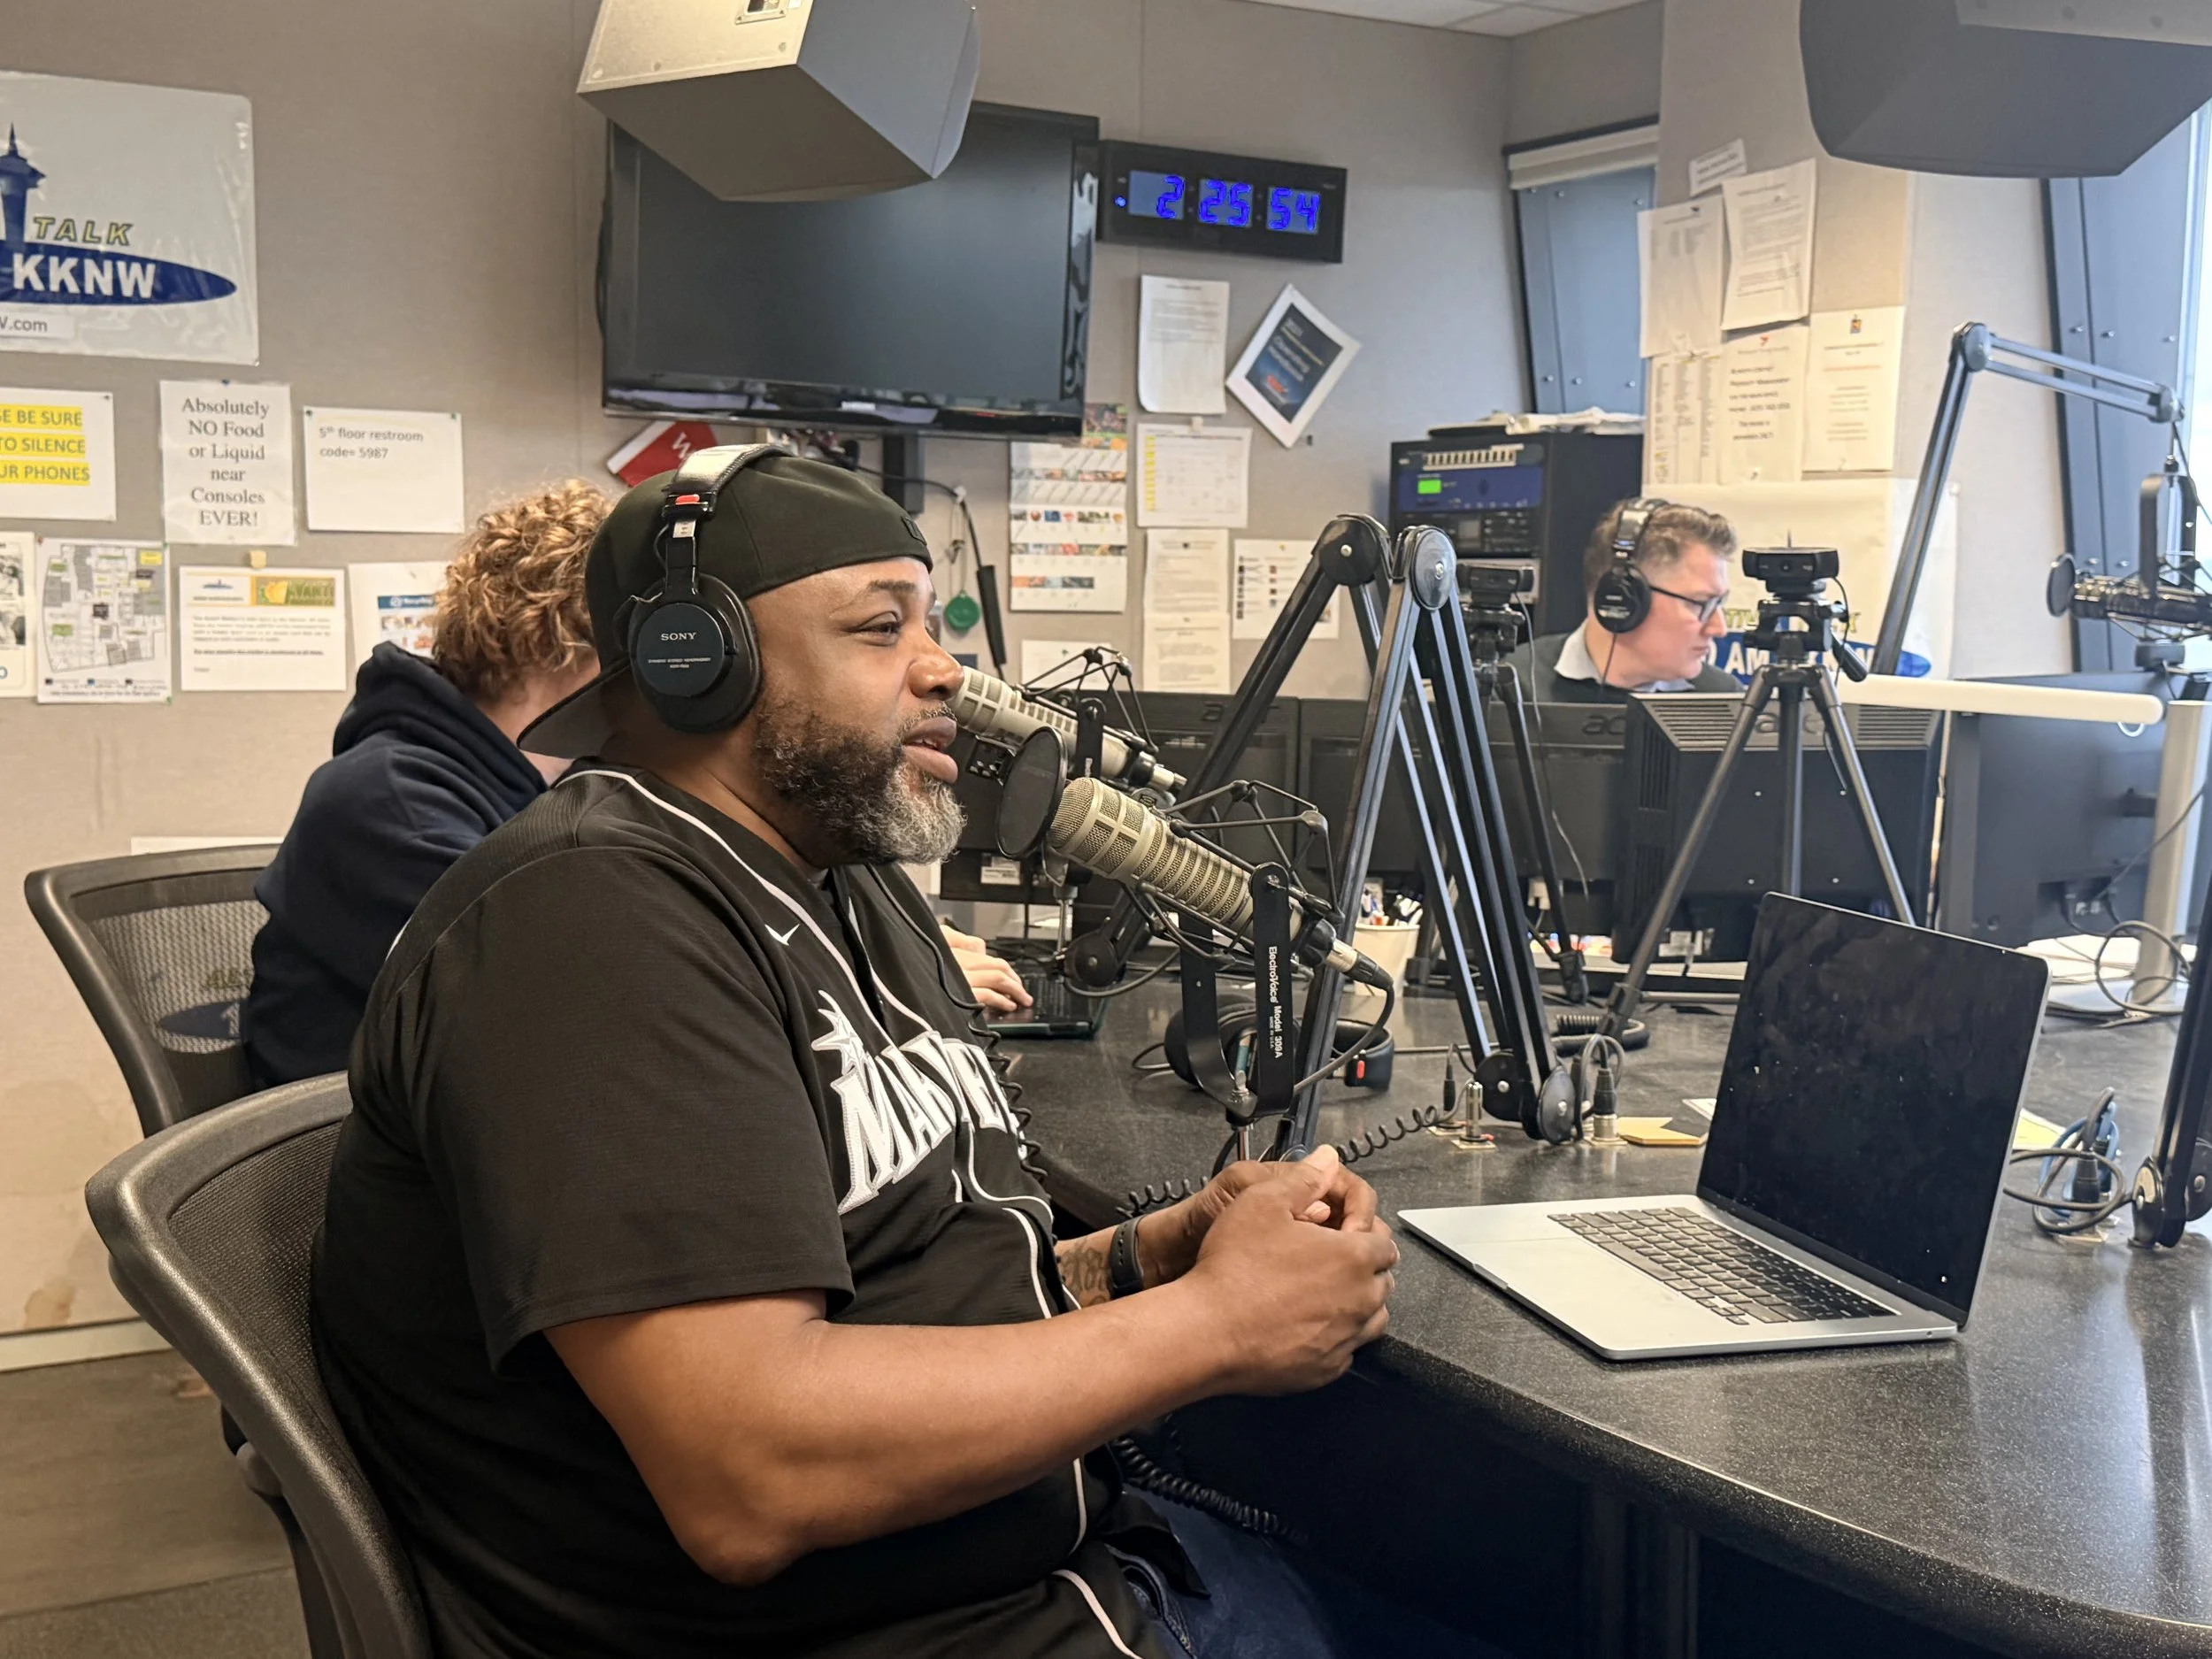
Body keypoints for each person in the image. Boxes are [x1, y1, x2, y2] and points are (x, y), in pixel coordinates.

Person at [311, 453, 1471, 1659]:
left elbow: (904, 1288)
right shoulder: (590, 918)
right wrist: (1214, 1327)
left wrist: (1140, 1259)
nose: (943, 670)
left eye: (931, 624)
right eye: (881, 627)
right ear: (693, 661)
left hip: (1044, 1582)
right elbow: (750, 1472)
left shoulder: (842, 881)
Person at [242, 480, 611, 1087]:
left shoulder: (551, 786)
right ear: (559, 640)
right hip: (351, 1132)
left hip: (477, 1107)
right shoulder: (391, 801)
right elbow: (561, 1001)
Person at [1508, 498, 1741, 703]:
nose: (1719, 628)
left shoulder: (1724, 699)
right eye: (1700, 603)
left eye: (1719, 602)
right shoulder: (1509, 686)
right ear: (1622, 601)